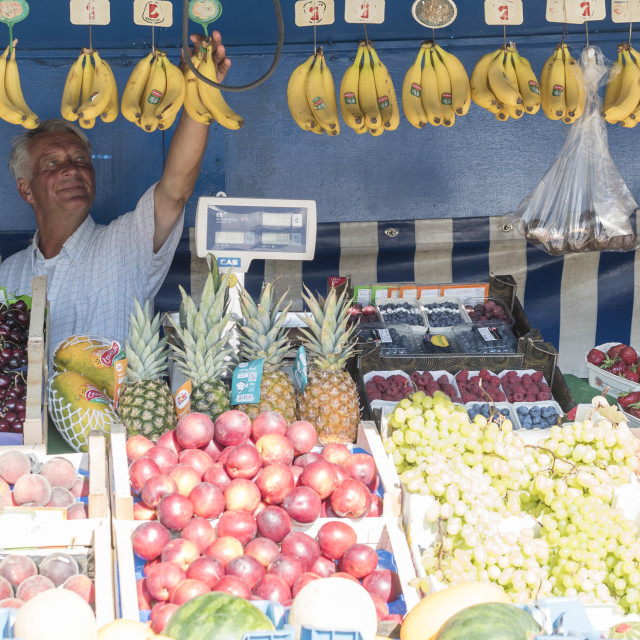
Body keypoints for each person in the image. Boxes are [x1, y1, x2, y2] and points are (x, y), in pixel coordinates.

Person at [0, 32, 230, 352]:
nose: (71, 169)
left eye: (80, 159)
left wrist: (200, 91)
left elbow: (176, 191)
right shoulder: (8, 274)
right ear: (26, 189)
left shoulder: (125, 243)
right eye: (52, 163)